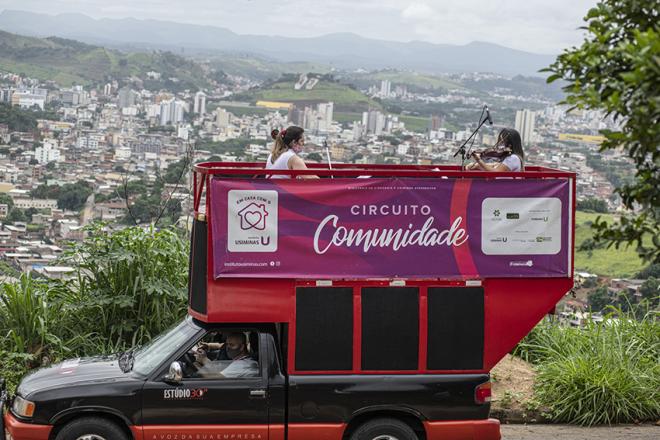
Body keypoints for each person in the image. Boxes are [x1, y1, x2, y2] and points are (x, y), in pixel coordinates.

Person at [193, 332, 258, 378]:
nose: (227, 348)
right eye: (227, 344)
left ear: (242, 347)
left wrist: (200, 362)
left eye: (232, 345)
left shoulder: (242, 365)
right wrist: (208, 345)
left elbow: (216, 378)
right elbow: (221, 345)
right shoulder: (243, 360)